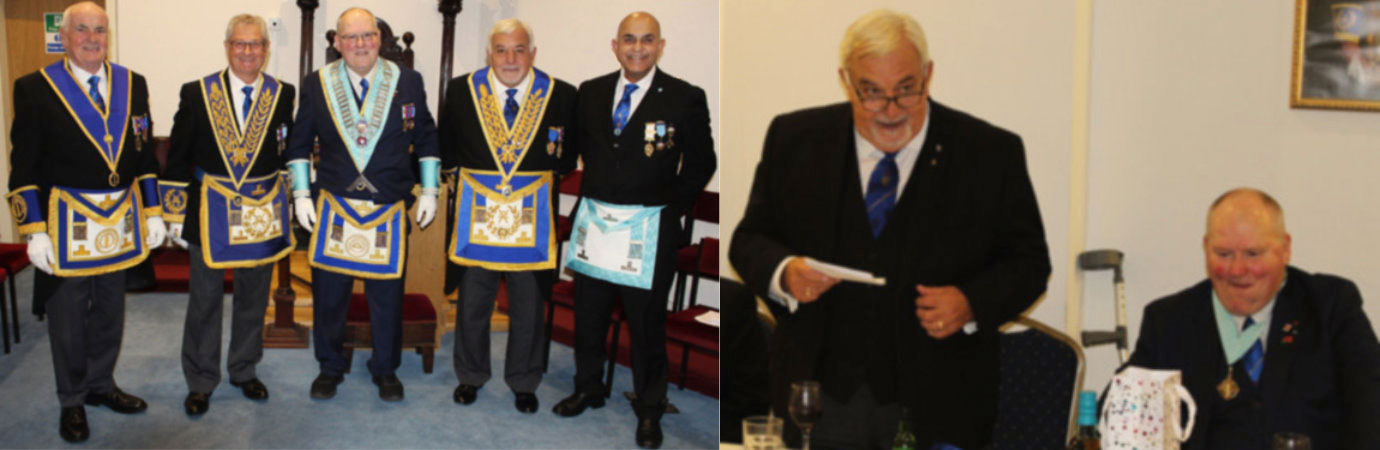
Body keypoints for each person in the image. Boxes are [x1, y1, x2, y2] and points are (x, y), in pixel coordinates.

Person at [729, 9, 1050, 449]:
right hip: (819, 397)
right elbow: (749, 240)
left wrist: (971, 302)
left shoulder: (990, 153)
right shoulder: (795, 138)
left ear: (928, 75)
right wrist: (784, 273)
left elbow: (1030, 263)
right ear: (846, 82)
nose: (892, 110)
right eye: (872, 94)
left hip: (941, 400)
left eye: (906, 90)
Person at [551, 11, 717, 449]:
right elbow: (570, 149)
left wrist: (669, 210)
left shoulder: (684, 97)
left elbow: (702, 163)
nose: (637, 48)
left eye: (646, 40)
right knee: (588, 317)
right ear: (615, 45)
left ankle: (649, 407)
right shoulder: (591, 92)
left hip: (648, 231)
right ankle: (589, 387)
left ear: (660, 46)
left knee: (646, 327)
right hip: (596, 228)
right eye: (629, 39)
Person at [5, 1, 167, 442]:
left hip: (119, 224)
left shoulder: (132, 83)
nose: (92, 39)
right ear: (63, 36)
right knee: (69, 318)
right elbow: (24, 166)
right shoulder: (35, 88)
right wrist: (33, 230)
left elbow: (143, 153)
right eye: (82, 29)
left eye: (100, 30)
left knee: (111, 311)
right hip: (67, 226)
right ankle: (72, 399)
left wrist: (153, 210)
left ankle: (101, 384)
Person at [1126, 188, 1380, 449]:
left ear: (1285, 249)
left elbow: (1372, 415)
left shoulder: (1331, 308)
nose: (1237, 270)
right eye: (1223, 254)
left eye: (1253, 254)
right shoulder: (1168, 321)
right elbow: (1120, 413)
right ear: (1205, 248)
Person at [284, 7, 439, 402]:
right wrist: (301, 194)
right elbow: (298, 145)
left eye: (367, 35)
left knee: (387, 299)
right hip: (335, 209)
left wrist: (430, 190)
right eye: (350, 37)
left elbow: (426, 138)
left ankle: (385, 369)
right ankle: (330, 366)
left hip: (387, 208)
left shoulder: (408, 80)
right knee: (330, 297)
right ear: (338, 42)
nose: (360, 44)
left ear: (379, 38)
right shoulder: (318, 83)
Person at [160, 13, 296, 416]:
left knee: (253, 296)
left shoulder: (281, 93)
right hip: (210, 211)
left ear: (266, 50)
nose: (247, 51)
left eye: (255, 44)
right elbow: (179, 156)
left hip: (261, 210)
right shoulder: (197, 93)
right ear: (227, 47)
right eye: (240, 43)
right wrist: (175, 214)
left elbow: (284, 152)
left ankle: (243, 368)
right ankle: (201, 380)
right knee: (205, 300)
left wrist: (291, 199)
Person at [438, 19, 576, 414]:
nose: (510, 58)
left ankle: (524, 381)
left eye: (519, 50)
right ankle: (470, 375)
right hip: (477, 215)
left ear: (533, 53)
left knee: (528, 305)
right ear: (490, 54)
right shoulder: (463, 90)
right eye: (501, 50)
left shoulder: (561, 94)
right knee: (473, 302)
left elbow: (567, 157)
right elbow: (448, 147)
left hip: (531, 219)